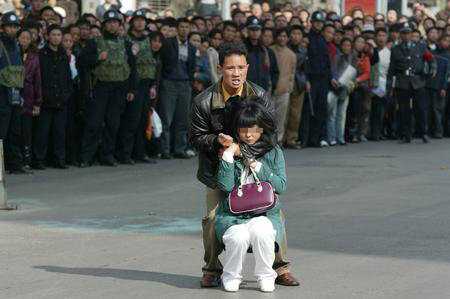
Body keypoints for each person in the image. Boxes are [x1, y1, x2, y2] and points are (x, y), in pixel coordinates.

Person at [189, 42, 299, 288]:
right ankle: (212, 269)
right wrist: (218, 141)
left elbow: (271, 137)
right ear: (220, 69)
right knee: (213, 217)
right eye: (230, 68)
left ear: (247, 67)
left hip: (255, 164)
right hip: (217, 169)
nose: (236, 73)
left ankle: (280, 268)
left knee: (274, 213)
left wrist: (242, 150)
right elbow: (195, 138)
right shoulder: (203, 101)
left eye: (241, 67)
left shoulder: (260, 96)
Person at [215, 98, 285, 293]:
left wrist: (256, 166)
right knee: (238, 236)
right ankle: (231, 275)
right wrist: (228, 156)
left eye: (253, 129)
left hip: (263, 213)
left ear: (261, 128)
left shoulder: (273, 152)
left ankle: (266, 275)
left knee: (262, 230)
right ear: (238, 131)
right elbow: (225, 186)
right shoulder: (232, 151)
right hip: (232, 215)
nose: (249, 135)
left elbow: (281, 185)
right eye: (244, 130)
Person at [78, 9, 137, 167]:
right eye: (109, 22)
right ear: (104, 25)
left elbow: (133, 68)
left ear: (119, 25)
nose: (112, 25)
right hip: (100, 88)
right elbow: (81, 62)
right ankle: (86, 157)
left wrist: (132, 89)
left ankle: (107, 155)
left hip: (119, 89)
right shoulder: (95, 42)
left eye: (115, 23)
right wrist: (97, 58)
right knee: (94, 123)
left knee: (113, 124)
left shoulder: (126, 44)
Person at [387, 22, 437, 144]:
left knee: (420, 109)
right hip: (402, 82)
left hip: (418, 81)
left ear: (411, 34)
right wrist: (389, 85)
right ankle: (406, 135)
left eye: (408, 33)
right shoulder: (395, 49)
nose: (406, 35)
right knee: (403, 110)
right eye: (403, 33)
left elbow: (431, 58)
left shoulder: (420, 46)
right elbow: (392, 69)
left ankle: (423, 133)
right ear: (400, 35)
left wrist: (434, 67)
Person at [117, 10, 157, 164]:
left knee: (142, 120)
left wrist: (152, 84)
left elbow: (151, 63)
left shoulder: (147, 39)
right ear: (132, 22)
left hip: (147, 84)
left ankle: (140, 152)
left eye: (143, 20)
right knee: (131, 120)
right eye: (137, 20)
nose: (140, 23)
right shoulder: (126, 40)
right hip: (134, 84)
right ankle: (125, 153)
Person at [33, 24, 73, 169]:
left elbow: (68, 77)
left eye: (58, 35)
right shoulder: (41, 54)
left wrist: (67, 94)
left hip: (61, 100)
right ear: (47, 36)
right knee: (42, 133)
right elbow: (37, 78)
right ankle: (39, 160)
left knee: (60, 132)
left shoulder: (63, 55)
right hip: (46, 100)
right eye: (53, 34)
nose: (56, 37)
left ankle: (59, 159)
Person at [157, 17, 196, 160]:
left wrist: (190, 82)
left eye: (187, 27)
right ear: (177, 29)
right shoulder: (168, 43)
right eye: (182, 27)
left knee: (182, 119)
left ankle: (179, 148)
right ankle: (165, 149)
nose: (184, 29)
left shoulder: (191, 47)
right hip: (169, 83)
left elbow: (191, 68)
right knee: (166, 118)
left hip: (185, 84)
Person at [301, 10, 337, 148]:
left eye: (320, 22)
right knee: (308, 111)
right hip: (311, 80)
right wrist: (306, 79)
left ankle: (315, 139)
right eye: (316, 22)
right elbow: (304, 61)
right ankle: (305, 138)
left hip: (323, 80)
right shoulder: (307, 38)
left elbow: (326, 62)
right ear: (311, 23)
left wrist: (331, 78)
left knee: (321, 109)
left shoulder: (323, 39)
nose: (318, 24)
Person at [0, 12, 30, 174]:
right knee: (1, 131)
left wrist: (22, 94)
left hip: (16, 93)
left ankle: (15, 164)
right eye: (9, 26)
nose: (12, 29)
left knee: (15, 130)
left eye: (14, 26)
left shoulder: (17, 46)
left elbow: (20, 72)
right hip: (2, 93)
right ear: (3, 28)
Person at [18, 28, 42, 170]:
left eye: (27, 38)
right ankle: (12, 159)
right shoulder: (11, 53)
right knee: (14, 129)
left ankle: (26, 159)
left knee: (27, 130)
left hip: (28, 93)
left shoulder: (34, 56)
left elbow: (38, 81)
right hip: (13, 92)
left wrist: (37, 102)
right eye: (22, 37)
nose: (24, 40)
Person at [269, 27, 296, 144]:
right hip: (270, 89)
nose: (282, 38)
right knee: (268, 117)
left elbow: (292, 73)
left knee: (281, 118)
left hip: (284, 90)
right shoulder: (270, 50)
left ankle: (278, 140)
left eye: (285, 36)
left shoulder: (291, 54)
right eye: (280, 36)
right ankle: (268, 140)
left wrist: (290, 87)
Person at [285, 24, 307, 149]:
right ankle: (280, 138)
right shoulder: (285, 48)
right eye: (294, 33)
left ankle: (292, 138)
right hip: (286, 80)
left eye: (299, 34)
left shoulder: (304, 50)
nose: (296, 36)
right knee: (284, 112)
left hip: (299, 82)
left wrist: (306, 81)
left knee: (295, 113)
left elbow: (305, 68)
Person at [370, 27, 391, 141]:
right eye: (379, 35)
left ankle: (378, 132)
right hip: (369, 84)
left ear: (387, 38)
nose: (381, 38)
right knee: (368, 109)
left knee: (380, 110)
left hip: (382, 86)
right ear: (375, 37)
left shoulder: (389, 53)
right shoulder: (371, 51)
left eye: (383, 35)